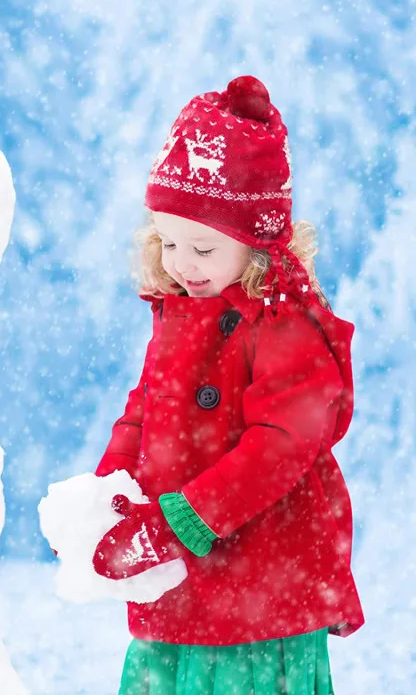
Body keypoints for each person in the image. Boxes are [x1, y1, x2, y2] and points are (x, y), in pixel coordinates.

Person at [92, 75, 364, 694]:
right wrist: (107, 495)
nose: (183, 264)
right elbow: (145, 410)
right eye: (169, 242)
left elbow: (281, 446)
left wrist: (181, 521)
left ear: (259, 246)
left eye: (205, 249)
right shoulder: (178, 311)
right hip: (185, 579)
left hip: (260, 576)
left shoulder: (283, 322)